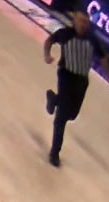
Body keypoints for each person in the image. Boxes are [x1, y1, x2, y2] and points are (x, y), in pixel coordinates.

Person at [42, 12, 104, 167]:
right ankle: (54, 153)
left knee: (72, 115)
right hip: (66, 76)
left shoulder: (92, 39)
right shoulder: (65, 34)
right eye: (81, 21)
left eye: (86, 22)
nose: (83, 24)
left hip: (82, 81)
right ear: (74, 21)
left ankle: (53, 98)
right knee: (61, 119)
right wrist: (47, 55)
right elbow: (49, 40)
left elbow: (103, 57)